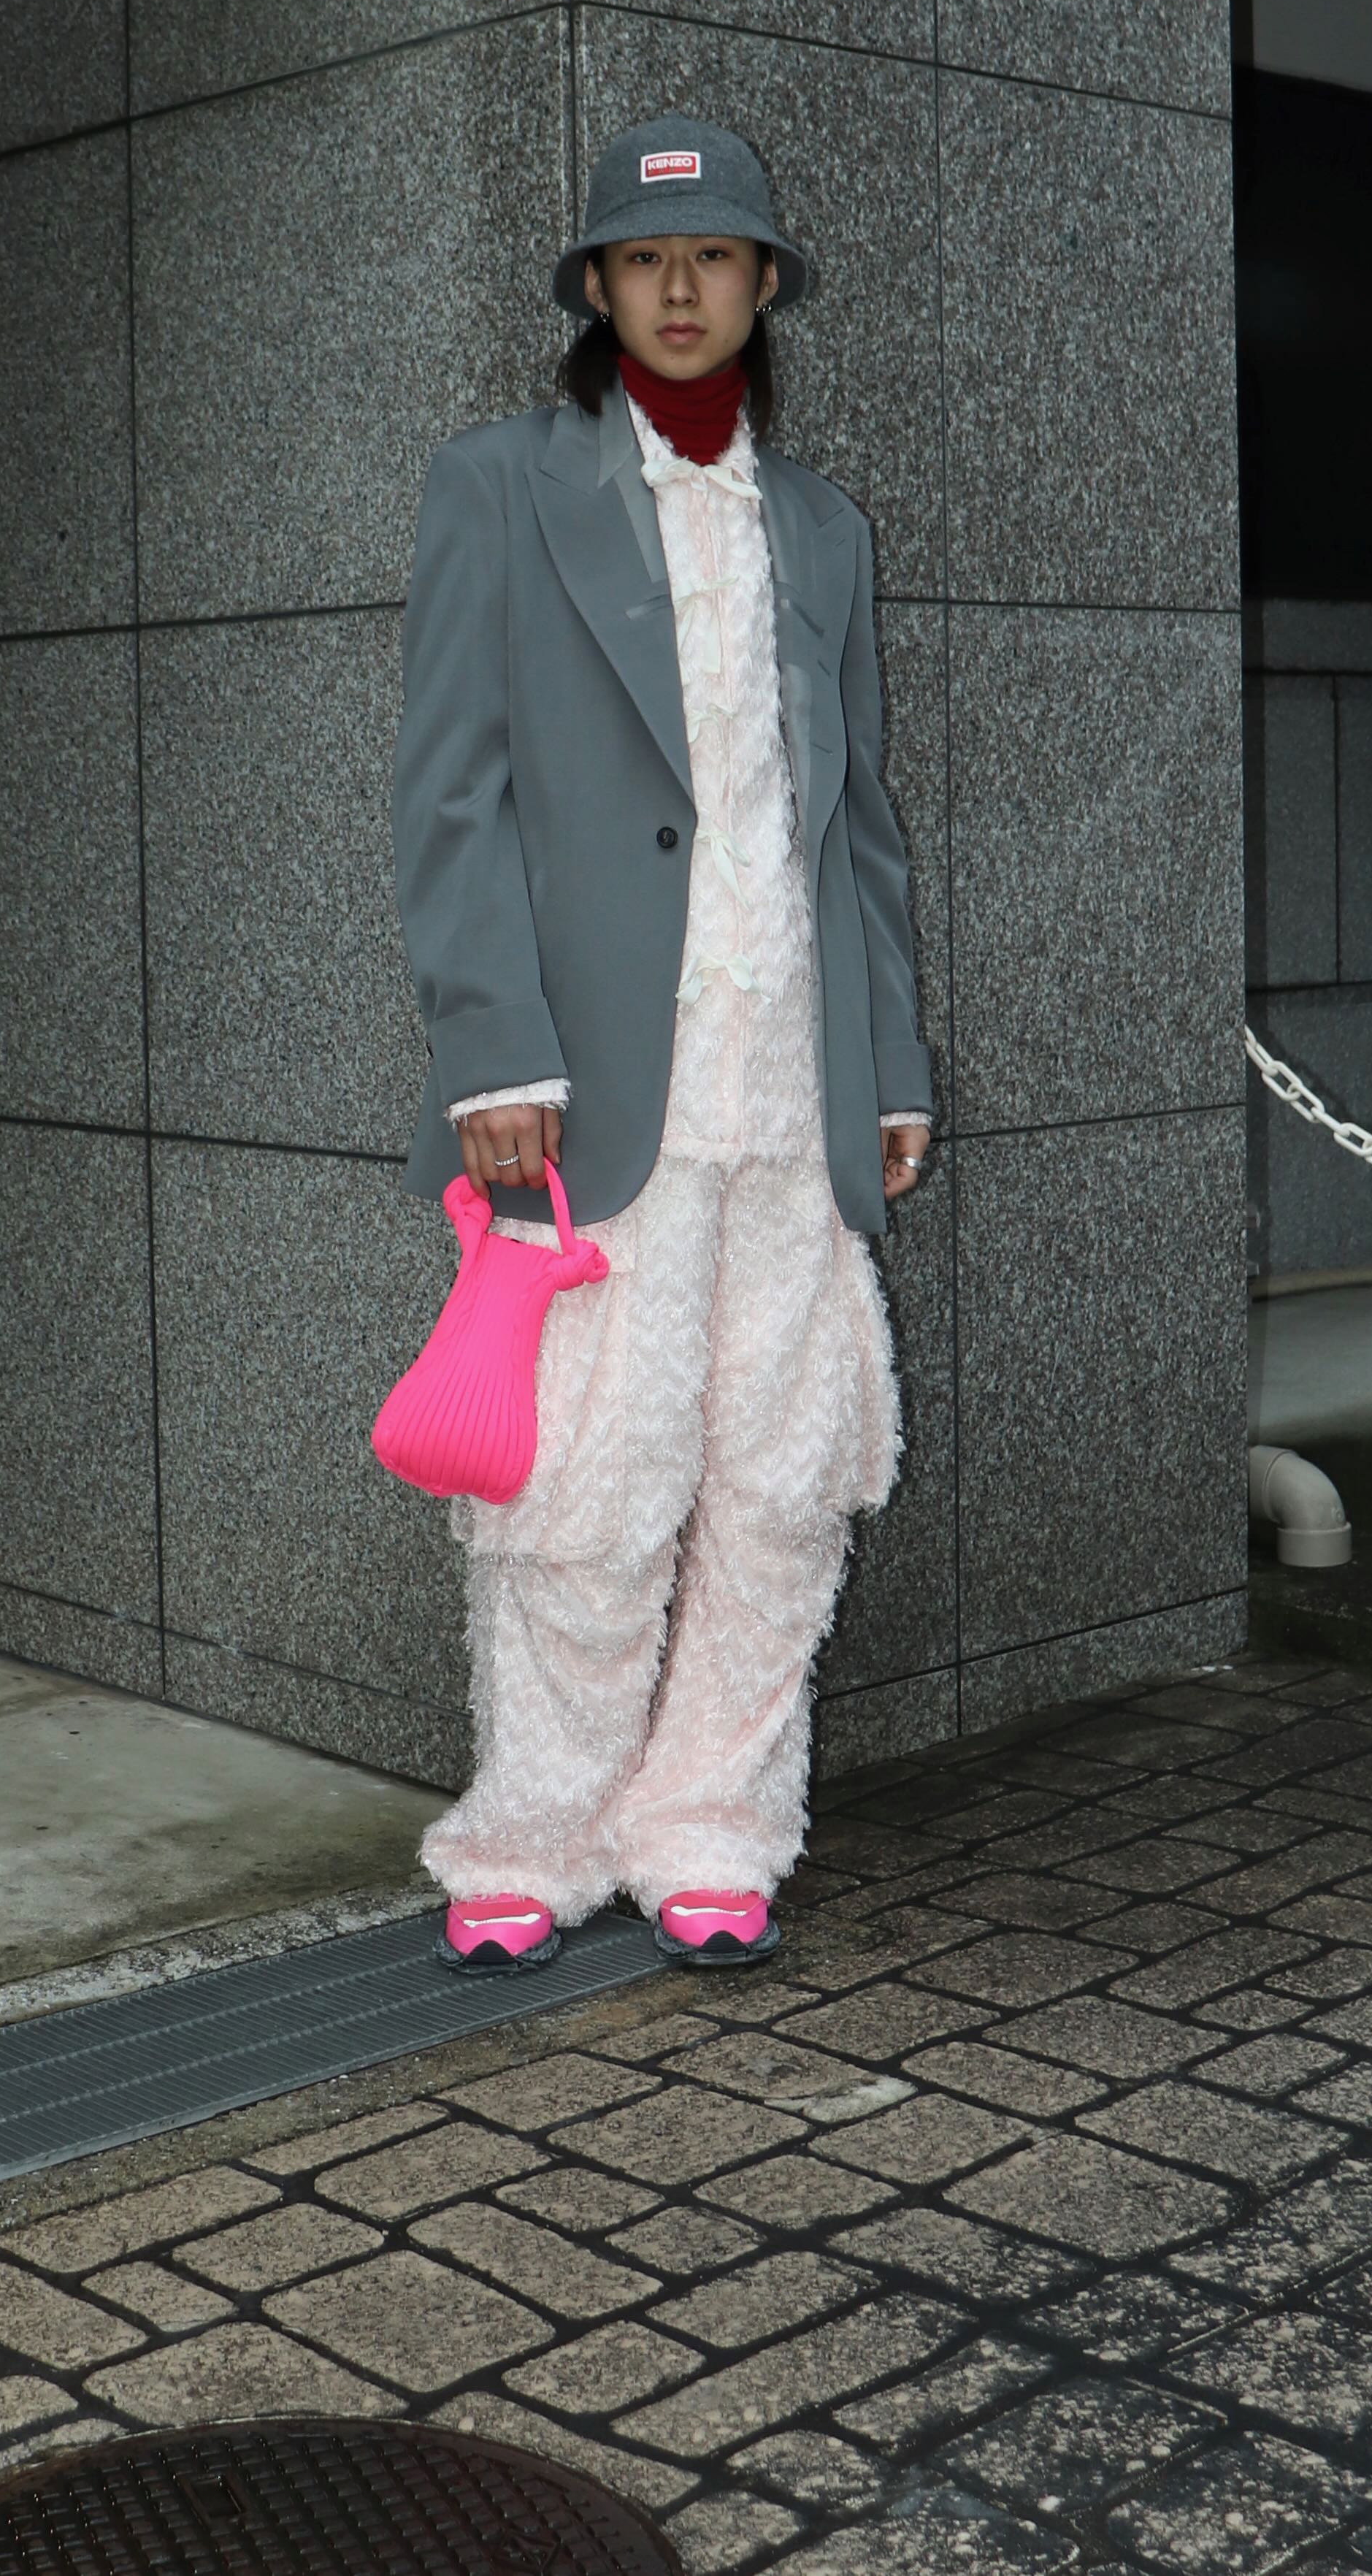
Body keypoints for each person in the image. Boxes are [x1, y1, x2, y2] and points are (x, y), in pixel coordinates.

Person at [391, 113, 932, 1968]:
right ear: (600, 289)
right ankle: (529, 1839)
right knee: (586, 1488)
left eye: (710, 259)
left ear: (762, 282)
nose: (679, 289)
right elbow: (449, 795)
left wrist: (891, 1069)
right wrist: (493, 1053)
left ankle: (714, 1821)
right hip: (592, 1091)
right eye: (642, 259)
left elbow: (858, 830)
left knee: (782, 1481)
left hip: (791, 1078)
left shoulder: (824, 529)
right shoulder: (497, 485)